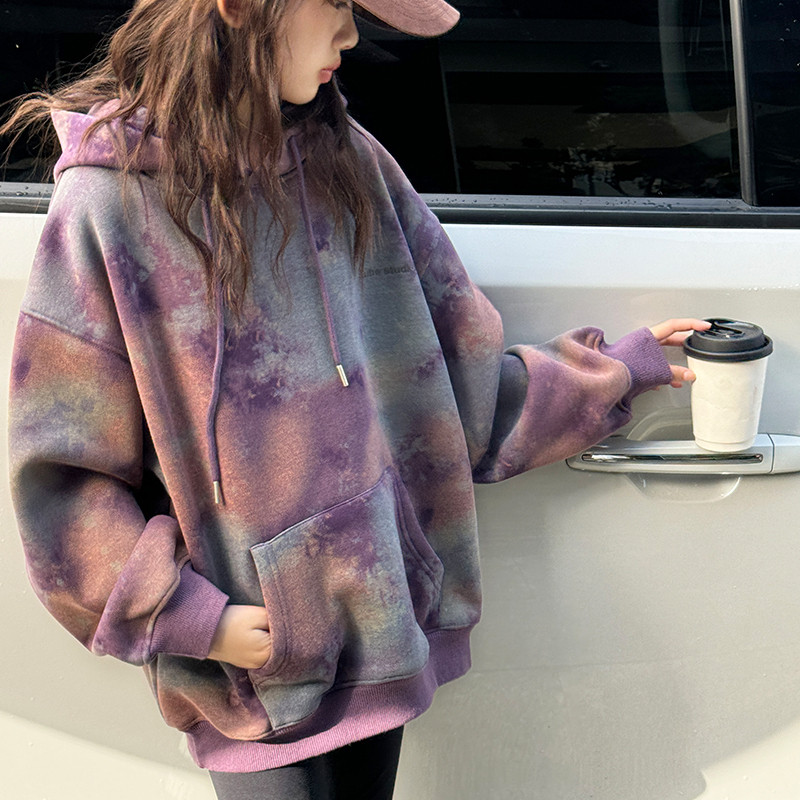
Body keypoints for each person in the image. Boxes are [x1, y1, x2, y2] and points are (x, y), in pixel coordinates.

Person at [2, 1, 710, 797]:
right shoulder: (109, 206)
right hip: (251, 682)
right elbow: (63, 479)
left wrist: (616, 370)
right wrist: (191, 618)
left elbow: (456, 386)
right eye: (337, 2)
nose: (350, 34)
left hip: (382, 642)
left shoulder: (350, 164)